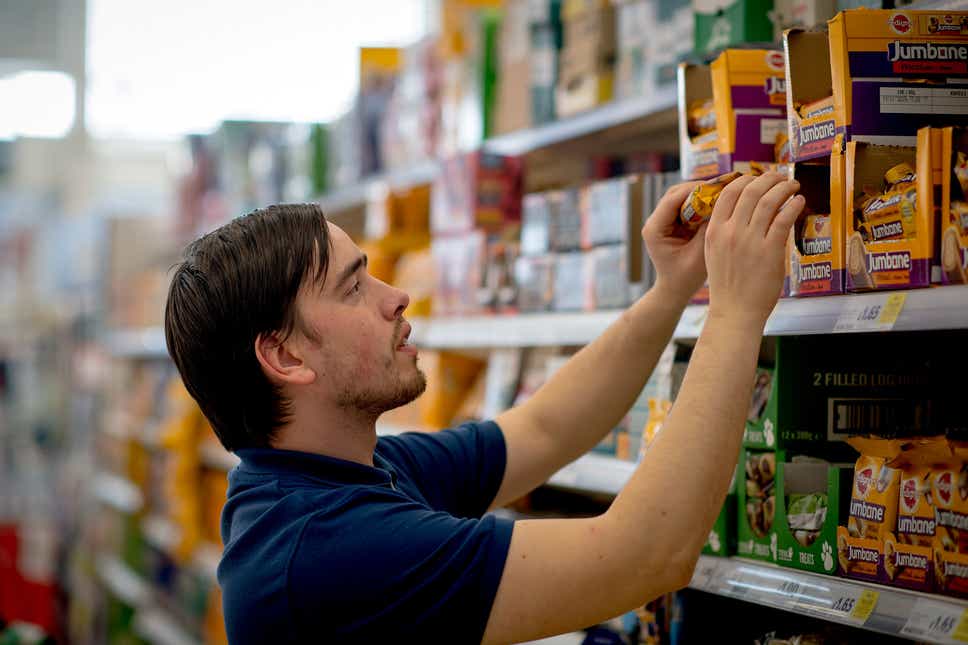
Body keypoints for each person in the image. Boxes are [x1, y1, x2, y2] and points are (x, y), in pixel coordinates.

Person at [164, 172, 804, 644]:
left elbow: (543, 426)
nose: (398, 296)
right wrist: (737, 312)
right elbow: (646, 555)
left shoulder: (341, 474)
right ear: (284, 357)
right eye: (353, 287)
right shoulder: (326, 551)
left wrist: (673, 290)